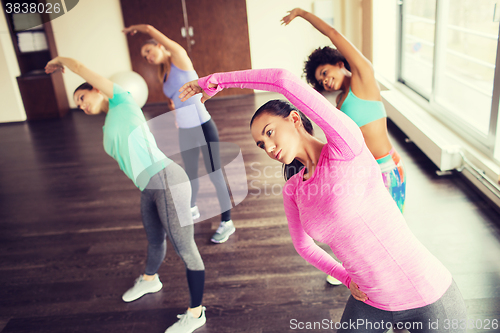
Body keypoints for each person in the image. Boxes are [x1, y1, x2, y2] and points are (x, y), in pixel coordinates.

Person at [178, 68, 467, 332]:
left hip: (425, 295)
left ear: (293, 119)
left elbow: (283, 80)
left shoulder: (345, 147)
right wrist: (344, 277)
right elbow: (303, 246)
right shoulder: (294, 189)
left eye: (269, 133)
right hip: (369, 299)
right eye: (261, 143)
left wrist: (215, 82)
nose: (268, 146)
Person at [45, 56, 206, 333]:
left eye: (82, 97)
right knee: (155, 240)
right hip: (148, 187)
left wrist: (63, 61)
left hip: (166, 179)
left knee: (185, 248)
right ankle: (150, 279)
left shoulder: (123, 100)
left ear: (97, 89)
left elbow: (85, 68)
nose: (81, 105)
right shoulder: (109, 124)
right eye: (78, 104)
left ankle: (196, 313)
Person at [282, 8, 406, 213]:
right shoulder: (340, 100)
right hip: (366, 173)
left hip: (387, 168)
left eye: (325, 72)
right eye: (321, 81)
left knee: (391, 231)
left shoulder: (363, 76)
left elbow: (333, 34)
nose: (325, 81)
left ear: (339, 63)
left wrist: (302, 13)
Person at [122, 24, 235, 244]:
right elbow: (177, 97)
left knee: (215, 175)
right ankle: (192, 208)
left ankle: (227, 222)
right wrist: (175, 111)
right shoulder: (163, 72)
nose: (147, 56)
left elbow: (151, 29)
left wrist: (141, 29)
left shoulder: (180, 59)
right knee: (190, 174)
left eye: (149, 50)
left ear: (160, 46)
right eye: (144, 56)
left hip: (203, 125)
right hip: (185, 129)